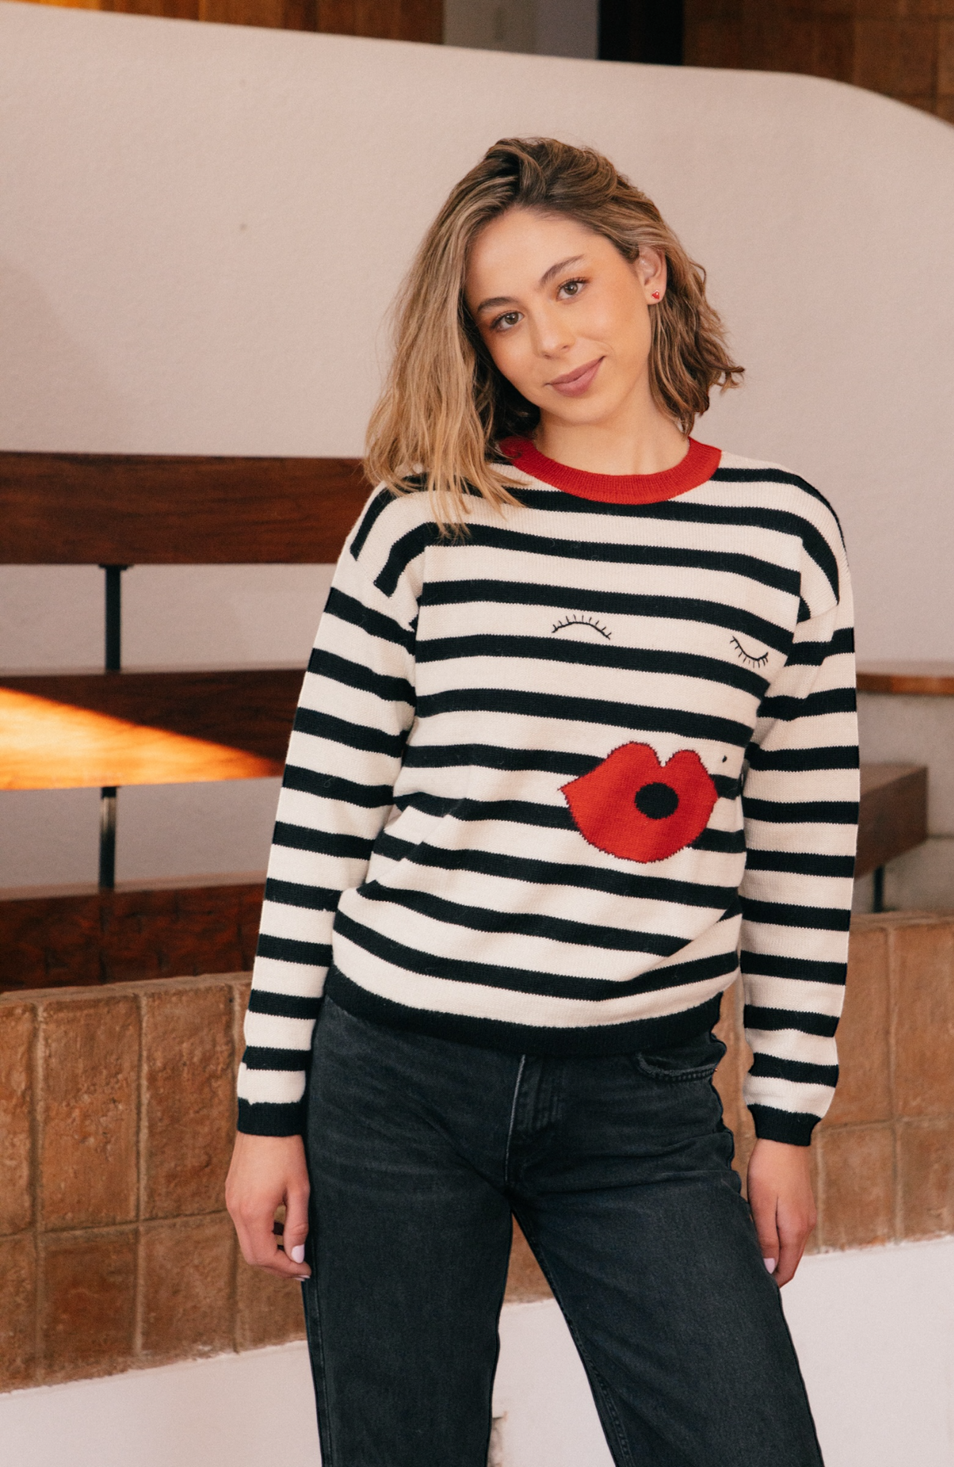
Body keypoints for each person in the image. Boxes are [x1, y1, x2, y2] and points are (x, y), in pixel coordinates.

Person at [226, 136, 858, 1467]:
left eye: (571, 287)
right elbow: (321, 829)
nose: (548, 341)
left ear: (651, 272)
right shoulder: (419, 523)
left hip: (641, 1099)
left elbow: (803, 852)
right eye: (503, 318)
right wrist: (265, 1111)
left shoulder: (782, 534)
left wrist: (788, 1119)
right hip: (395, 1078)